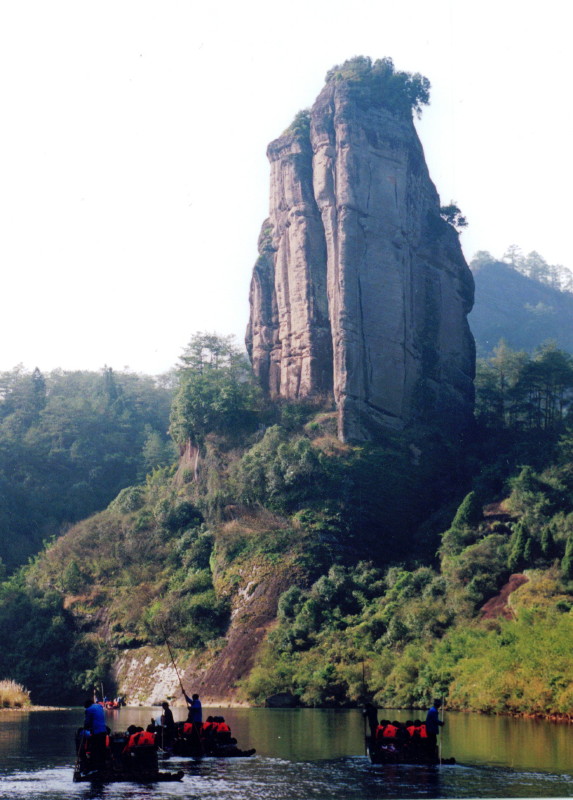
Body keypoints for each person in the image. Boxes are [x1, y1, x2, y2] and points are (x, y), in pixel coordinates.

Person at [83, 698, 108, 771]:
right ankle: (103, 765)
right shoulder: (99, 706)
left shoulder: (88, 710)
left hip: (97, 732)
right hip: (103, 730)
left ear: (87, 705)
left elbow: (87, 722)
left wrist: (85, 727)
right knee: (102, 748)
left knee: (95, 749)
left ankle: (94, 766)